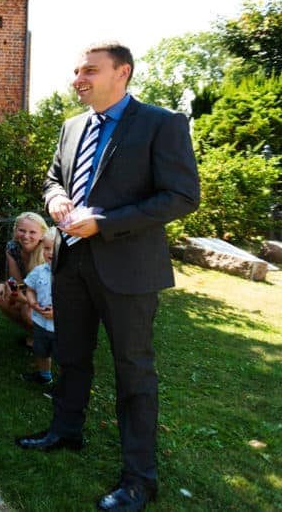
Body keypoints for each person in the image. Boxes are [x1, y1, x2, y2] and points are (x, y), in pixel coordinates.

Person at [15, 42, 199, 512]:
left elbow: (180, 196)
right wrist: (56, 199)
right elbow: (55, 177)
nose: (79, 78)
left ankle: (140, 478)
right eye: (76, 70)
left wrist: (106, 223)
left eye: (89, 70)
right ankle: (65, 431)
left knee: (134, 372)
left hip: (129, 269)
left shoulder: (162, 124)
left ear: (123, 73)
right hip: (71, 264)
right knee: (71, 354)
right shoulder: (71, 126)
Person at [0, 212, 49, 348]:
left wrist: (27, 302)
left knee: (27, 311)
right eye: (21, 230)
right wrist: (5, 285)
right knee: (3, 298)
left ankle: (53, 339)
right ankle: (36, 334)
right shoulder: (12, 247)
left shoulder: (47, 250)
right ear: (15, 230)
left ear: (42, 234)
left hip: (48, 295)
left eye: (32, 232)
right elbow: (16, 281)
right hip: (28, 291)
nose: (26, 236)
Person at [21, 227, 57, 385]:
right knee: (41, 351)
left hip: (61, 327)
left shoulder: (69, 275)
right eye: (47, 248)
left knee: (64, 355)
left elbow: (76, 303)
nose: (50, 253)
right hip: (41, 322)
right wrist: (33, 303)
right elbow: (29, 289)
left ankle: (65, 385)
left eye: (56, 249)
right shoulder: (39, 271)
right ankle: (44, 375)